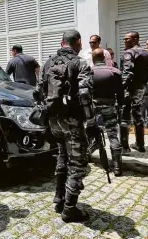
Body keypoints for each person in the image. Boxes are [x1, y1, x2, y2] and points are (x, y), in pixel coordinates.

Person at [35, 30, 93, 222]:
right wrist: (91, 120)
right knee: (78, 163)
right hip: (72, 121)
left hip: (54, 121)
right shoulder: (80, 63)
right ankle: (69, 209)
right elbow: (85, 94)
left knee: (62, 155)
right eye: (80, 43)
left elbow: (38, 92)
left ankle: (59, 197)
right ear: (77, 42)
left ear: (62, 43)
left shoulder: (48, 63)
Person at [91, 48, 124, 176]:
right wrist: (120, 106)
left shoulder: (88, 71)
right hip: (109, 105)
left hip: (93, 107)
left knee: (89, 133)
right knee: (112, 134)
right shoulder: (115, 72)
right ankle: (117, 167)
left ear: (93, 59)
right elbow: (120, 92)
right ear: (105, 58)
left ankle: (85, 160)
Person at [119, 31, 148, 155]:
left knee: (124, 116)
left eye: (128, 39)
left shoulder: (129, 52)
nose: (125, 41)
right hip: (140, 87)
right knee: (138, 115)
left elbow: (127, 72)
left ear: (136, 39)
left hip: (129, 88)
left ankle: (125, 147)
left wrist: (121, 88)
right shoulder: (146, 53)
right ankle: (140, 144)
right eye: (124, 39)